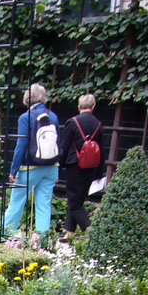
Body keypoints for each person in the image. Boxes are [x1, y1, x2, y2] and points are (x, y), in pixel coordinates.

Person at [2, 83, 60, 239]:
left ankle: (3, 235)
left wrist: (13, 170)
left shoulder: (25, 117)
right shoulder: (53, 116)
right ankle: (42, 241)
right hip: (51, 166)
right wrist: (57, 168)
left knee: (17, 202)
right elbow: (57, 143)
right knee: (43, 205)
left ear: (27, 98)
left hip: (30, 167)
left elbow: (21, 145)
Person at [59, 93, 105, 239]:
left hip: (75, 166)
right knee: (77, 200)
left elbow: (64, 147)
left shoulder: (72, 122)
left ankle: (92, 233)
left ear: (79, 106)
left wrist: (58, 167)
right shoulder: (98, 124)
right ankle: (69, 233)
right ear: (93, 106)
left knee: (74, 203)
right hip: (91, 167)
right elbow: (101, 150)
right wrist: (99, 173)